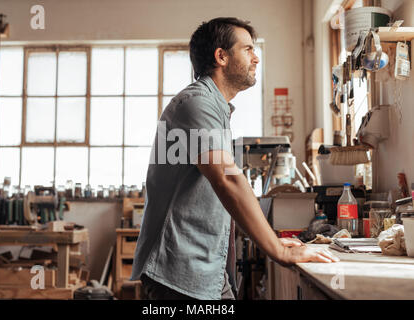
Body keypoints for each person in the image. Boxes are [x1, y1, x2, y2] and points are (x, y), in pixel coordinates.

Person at [131, 17, 339, 300]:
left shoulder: (215, 107)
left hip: (207, 271)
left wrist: (272, 238)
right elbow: (228, 180)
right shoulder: (197, 103)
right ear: (221, 56)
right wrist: (275, 249)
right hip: (178, 272)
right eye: (248, 49)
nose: (256, 58)